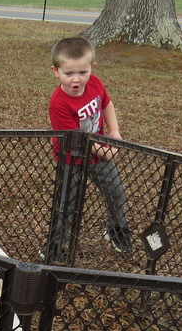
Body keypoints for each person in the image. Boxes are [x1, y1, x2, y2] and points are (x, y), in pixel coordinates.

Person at [47, 36, 134, 256]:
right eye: (69, 74)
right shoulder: (59, 103)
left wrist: (114, 132)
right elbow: (78, 137)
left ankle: (116, 231)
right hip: (71, 158)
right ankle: (57, 244)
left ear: (92, 68)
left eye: (83, 72)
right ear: (56, 71)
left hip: (99, 156)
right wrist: (105, 150)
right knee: (67, 204)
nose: (76, 79)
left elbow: (107, 104)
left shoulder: (95, 84)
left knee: (116, 193)